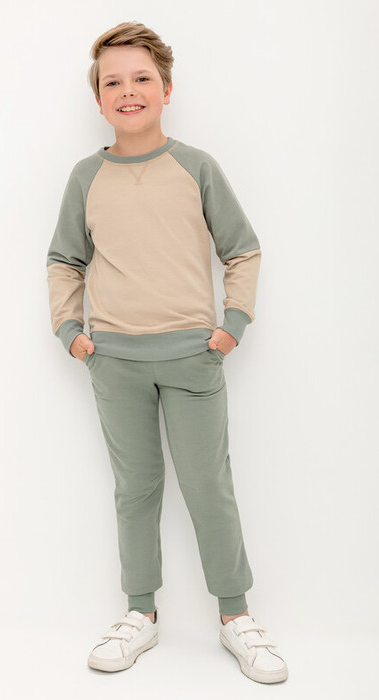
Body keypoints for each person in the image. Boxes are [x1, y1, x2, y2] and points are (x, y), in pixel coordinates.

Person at [46, 20, 288, 684]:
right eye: (113, 82)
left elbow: (242, 248)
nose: (128, 91)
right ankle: (140, 613)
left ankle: (236, 616)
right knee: (136, 489)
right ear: (99, 98)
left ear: (167, 88)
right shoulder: (86, 177)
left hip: (192, 357)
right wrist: (72, 333)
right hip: (113, 360)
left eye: (141, 78)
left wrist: (232, 324)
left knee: (209, 486)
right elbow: (65, 259)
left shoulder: (196, 167)